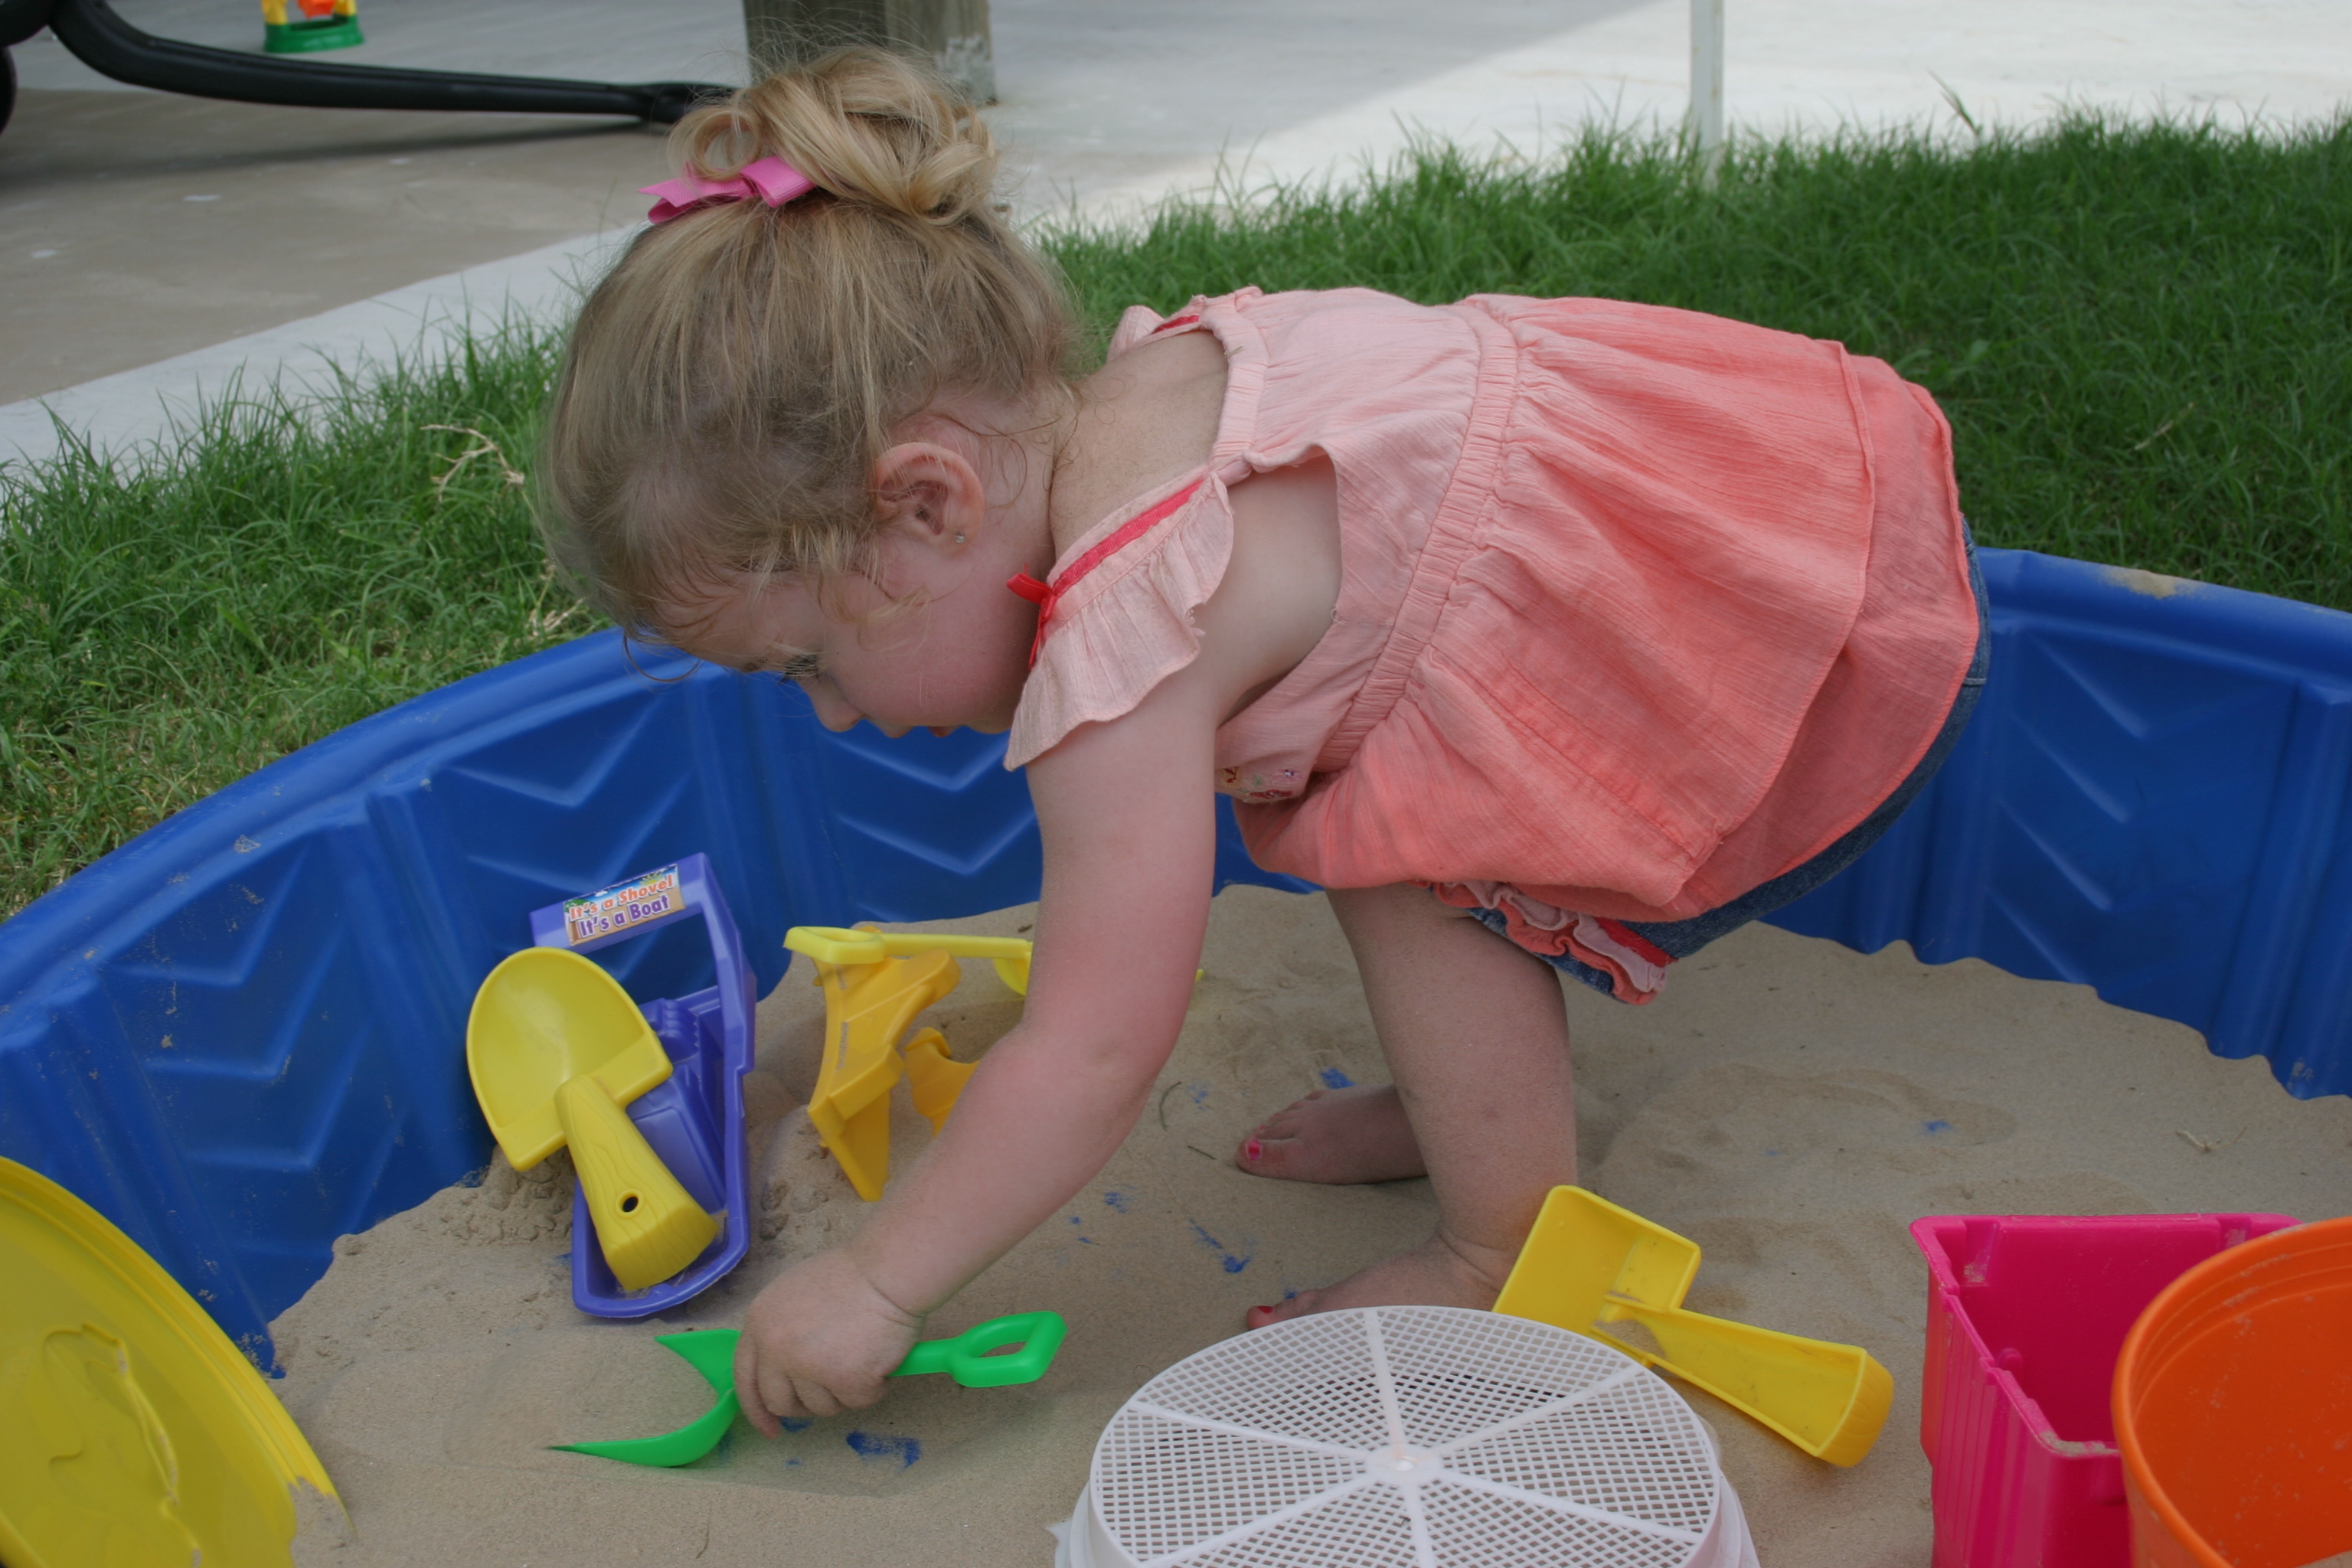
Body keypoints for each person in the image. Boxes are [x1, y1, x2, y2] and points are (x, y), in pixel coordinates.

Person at [538, 47, 1988, 1436]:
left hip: (1780, 671)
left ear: (928, 504)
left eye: (808, 661)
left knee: (1402, 848)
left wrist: (873, 1277)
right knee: (1377, 784)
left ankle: (1500, 1256)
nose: (837, 713)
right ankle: (1466, 1106)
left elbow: (1096, 1041)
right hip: (1778, 521)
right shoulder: (1170, 379)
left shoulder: (1121, 646)